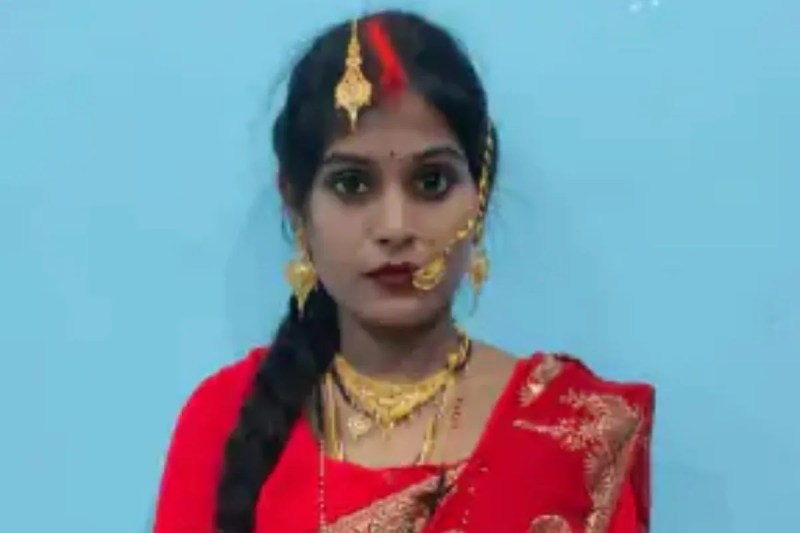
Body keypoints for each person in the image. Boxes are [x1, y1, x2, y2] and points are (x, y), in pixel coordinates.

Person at [154, 10, 655, 533]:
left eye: (431, 182)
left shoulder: (571, 431)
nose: (395, 227)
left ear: (480, 196)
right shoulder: (223, 420)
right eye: (352, 184)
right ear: (297, 205)